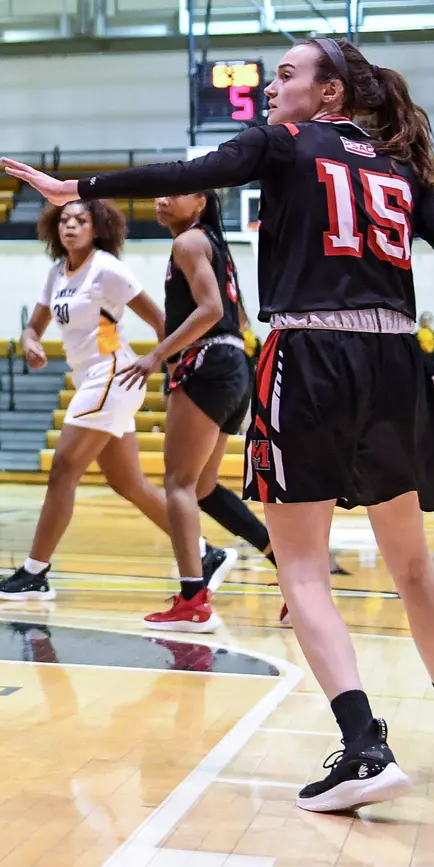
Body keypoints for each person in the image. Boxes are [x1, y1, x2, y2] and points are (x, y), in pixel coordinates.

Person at [4, 36, 434, 813]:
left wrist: (75, 183)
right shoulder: (399, 165)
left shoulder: (282, 144)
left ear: (329, 94)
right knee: (411, 568)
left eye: (284, 75)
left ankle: (363, 747)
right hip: (395, 361)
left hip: (310, 352)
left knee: (300, 570)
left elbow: (188, 175)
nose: (270, 88)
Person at [0, 200, 235, 607]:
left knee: (64, 468)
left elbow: (160, 320)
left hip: (113, 373)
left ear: (98, 228)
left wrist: (171, 369)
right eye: (64, 220)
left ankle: (35, 572)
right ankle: (205, 553)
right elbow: (33, 327)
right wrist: (31, 344)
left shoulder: (107, 269)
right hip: (90, 378)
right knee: (128, 482)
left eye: (80, 220)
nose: (70, 226)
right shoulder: (56, 275)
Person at [116, 191, 278, 631]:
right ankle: (282, 562)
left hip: (208, 363)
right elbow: (238, 317)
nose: (161, 199)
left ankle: (192, 598)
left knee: (178, 483)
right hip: (232, 364)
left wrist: (156, 356)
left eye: (175, 194)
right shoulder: (212, 244)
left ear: (201, 203)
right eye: (160, 193)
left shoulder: (187, 243)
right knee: (204, 486)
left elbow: (212, 310)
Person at [418, 311, 434, 377]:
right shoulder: (417, 334)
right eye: (424, 320)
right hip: (423, 360)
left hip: (433, 360)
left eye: (427, 320)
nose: (426, 322)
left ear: (431, 321)